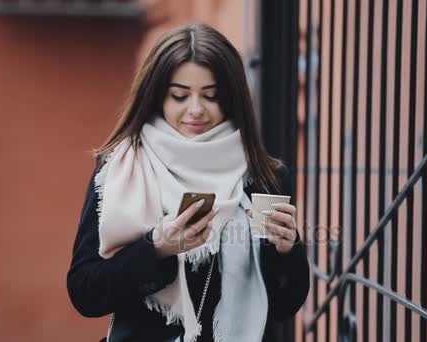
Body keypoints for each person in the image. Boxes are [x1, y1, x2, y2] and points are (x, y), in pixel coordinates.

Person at [66, 23, 310, 342]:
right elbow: (85, 291)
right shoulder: (119, 169)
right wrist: (156, 248)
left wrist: (287, 250)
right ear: (157, 97)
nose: (195, 110)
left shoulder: (265, 177)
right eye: (179, 96)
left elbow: (283, 306)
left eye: (211, 96)